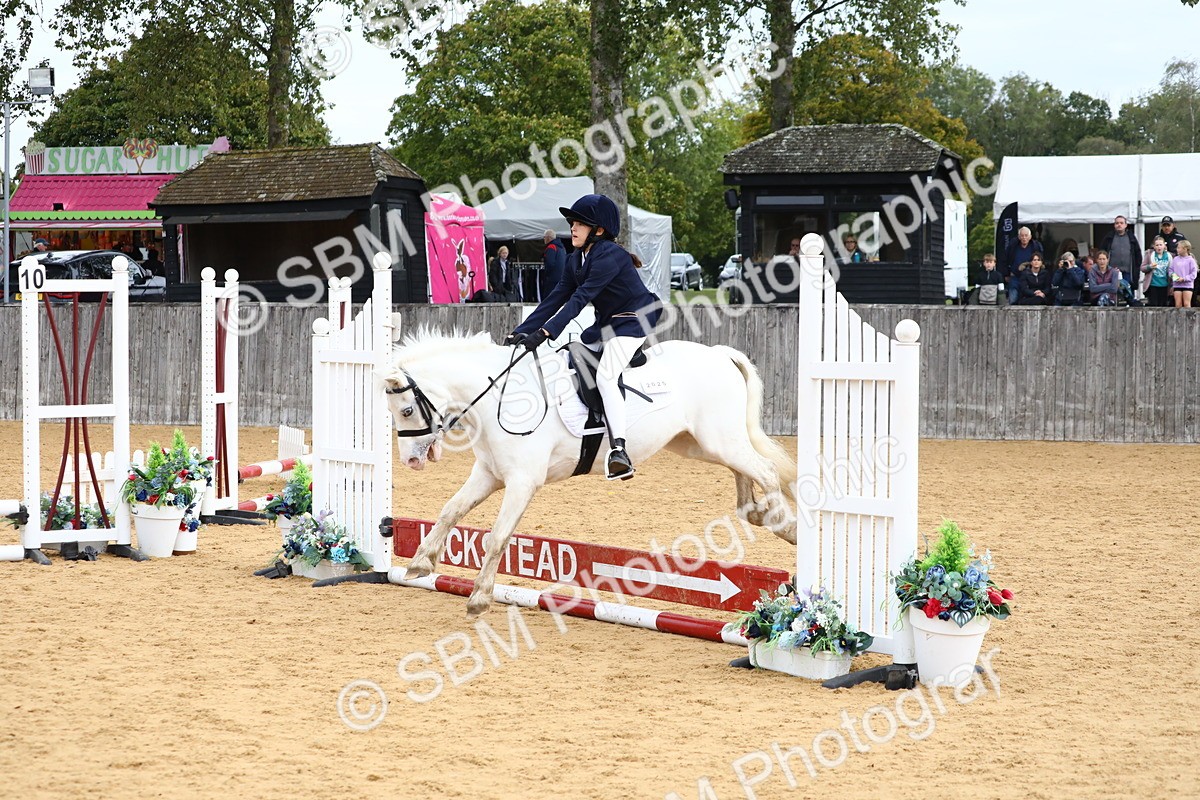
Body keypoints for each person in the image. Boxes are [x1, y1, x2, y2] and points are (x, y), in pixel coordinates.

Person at [507, 194, 661, 481]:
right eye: (572, 222)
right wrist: (522, 331)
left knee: (605, 376)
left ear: (599, 230)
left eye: (579, 223)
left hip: (632, 320)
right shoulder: (575, 257)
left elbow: (579, 300)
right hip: (606, 324)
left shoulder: (610, 256)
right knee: (566, 355)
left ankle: (619, 451)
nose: (573, 228)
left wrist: (543, 333)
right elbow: (555, 298)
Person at [1100, 216, 1141, 294]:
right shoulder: (1109, 238)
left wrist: (1136, 268)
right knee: (1112, 294)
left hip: (1128, 272)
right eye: (1117, 223)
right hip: (1111, 272)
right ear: (1114, 225)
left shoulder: (1132, 238)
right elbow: (1102, 253)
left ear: (1126, 225)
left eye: (1121, 223)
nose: (1119, 225)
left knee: (1128, 294)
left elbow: (1138, 255)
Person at [1004, 226, 1042, 305]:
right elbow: (1005, 259)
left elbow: (1040, 260)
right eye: (1022, 235)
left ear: (1030, 237)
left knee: (1026, 300)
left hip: (1029, 277)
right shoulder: (1013, 246)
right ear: (1019, 237)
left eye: (1026, 235)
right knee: (1013, 299)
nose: (1024, 237)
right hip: (1015, 276)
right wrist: (1006, 273)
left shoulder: (1035, 246)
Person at [1141, 236, 1173, 307]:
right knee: (1153, 305)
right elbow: (1142, 268)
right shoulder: (1149, 255)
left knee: (1163, 305)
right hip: (1153, 285)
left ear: (1164, 246)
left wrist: (1173, 283)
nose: (1159, 247)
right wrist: (1150, 267)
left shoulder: (1169, 256)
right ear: (1154, 246)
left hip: (1165, 285)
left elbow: (1172, 270)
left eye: (1161, 245)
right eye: (1157, 245)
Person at [1169, 240, 1197, 308]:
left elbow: (1193, 274)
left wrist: (1184, 278)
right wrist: (1175, 277)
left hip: (1187, 285)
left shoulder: (1191, 260)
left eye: (1179, 247)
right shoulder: (1175, 259)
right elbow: (1170, 270)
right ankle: (1178, 318)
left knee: (1186, 304)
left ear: (1185, 249)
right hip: (1177, 285)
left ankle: (1188, 318)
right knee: (1178, 305)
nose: (1177, 249)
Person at [541, 229, 566, 300]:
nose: (544, 239)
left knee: (548, 298)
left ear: (548, 238)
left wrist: (546, 274)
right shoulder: (562, 248)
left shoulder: (551, 247)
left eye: (544, 237)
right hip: (561, 277)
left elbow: (549, 263)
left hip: (552, 278)